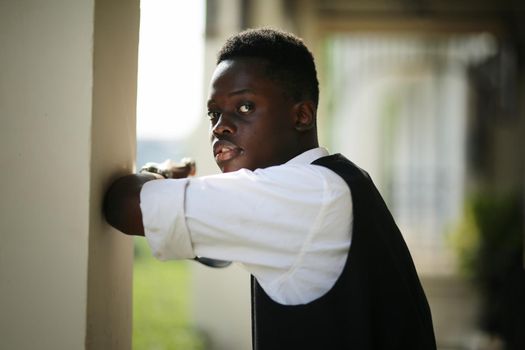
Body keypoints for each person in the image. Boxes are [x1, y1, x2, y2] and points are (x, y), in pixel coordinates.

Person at [104, 27, 437, 349]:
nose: (220, 127)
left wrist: (158, 174)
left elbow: (124, 204)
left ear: (302, 116)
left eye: (245, 107)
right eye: (214, 114)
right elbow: (220, 252)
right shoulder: (336, 180)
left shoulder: (303, 192)